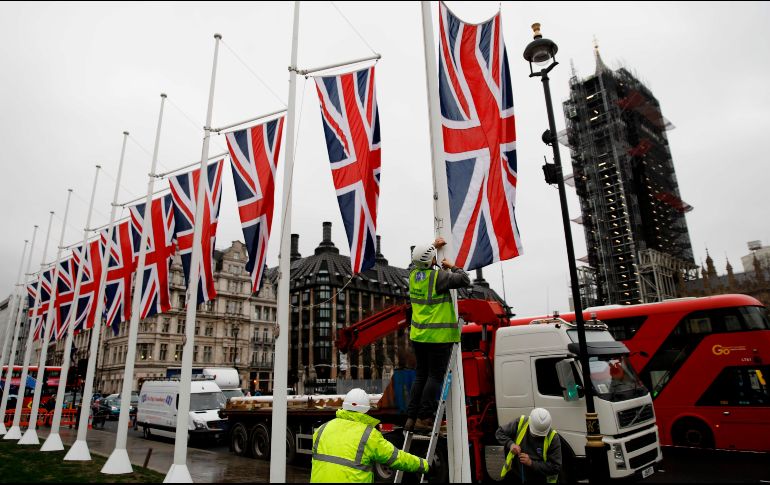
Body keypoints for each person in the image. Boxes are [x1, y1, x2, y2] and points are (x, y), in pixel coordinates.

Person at [404, 237, 470, 432]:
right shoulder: (438, 277)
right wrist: (453, 266)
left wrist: (433, 246)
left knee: (421, 375)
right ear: (432, 260)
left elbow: (415, 262)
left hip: (418, 336)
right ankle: (424, 417)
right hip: (438, 337)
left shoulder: (413, 275)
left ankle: (411, 416)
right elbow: (464, 280)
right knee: (434, 376)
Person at [310, 388, 428, 483]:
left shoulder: (322, 429)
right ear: (366, 410)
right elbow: (396, 458)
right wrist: (424, 465)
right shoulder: (368, 435)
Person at [496, 408, 562, 484]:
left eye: (539, 435)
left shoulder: (553, 437)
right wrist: (511, 444)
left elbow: (556, 467)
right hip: (517, 474)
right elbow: (499, 432)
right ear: (530, 423)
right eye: (535, 434)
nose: (536, 436)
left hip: (539, 478)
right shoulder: (521, 422)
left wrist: (531, 463)